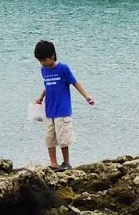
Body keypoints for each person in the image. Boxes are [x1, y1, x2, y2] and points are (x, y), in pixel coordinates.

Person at [33, 39, 95, 170]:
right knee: (49, 138)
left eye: (44, 60)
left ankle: (66, 162)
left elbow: (75, 82)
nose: (42, 63)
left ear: (52, 56)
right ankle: (54, 163)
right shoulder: (43, 70)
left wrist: (87, 96)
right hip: (49, 108)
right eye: (40, 61)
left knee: (63, 138)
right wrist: (40, 97)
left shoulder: (63, 68)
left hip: (62, 109)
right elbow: (47, 85)